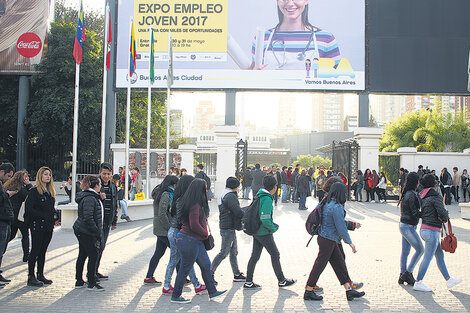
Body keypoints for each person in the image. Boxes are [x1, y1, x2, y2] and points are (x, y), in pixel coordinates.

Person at [304, 182, 365, 301]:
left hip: (325, 238)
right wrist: (350, 243)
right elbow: (341, 226)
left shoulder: (327, 202)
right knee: (319, 265)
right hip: (328, 239)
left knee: (339, 264)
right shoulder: (336, 207)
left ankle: (349, 290)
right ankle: (309, 290)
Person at [171, 179, 227, 303]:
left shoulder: (194, 203)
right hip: (189, 239)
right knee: (185, 268)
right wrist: (205, 233)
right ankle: (176, 295)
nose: (207, 191)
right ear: (200, 190)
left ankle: (212, 292)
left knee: (206, 265)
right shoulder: (194, 205)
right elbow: (194, 224)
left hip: (194, 240)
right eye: (205, 188)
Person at [250, 0, 341, 71]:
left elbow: (338, 82)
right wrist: (253, 76)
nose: (290, 3)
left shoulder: (326, 39)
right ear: (277, 1)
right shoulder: (261, 39)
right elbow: (253, 78)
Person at [244, 175, 296, 289]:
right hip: (264, 232)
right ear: (274, 187)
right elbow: (265, 218)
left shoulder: (259, 196)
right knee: (275, 254)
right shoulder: (267, 198)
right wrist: (273, 228)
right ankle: (281, 280)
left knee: (255, 256)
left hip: (256, 231)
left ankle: (248, 281)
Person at [413, 174, 462, 292]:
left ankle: (448, 279)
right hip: (432, 231)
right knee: (428, 257)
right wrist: (445, 216)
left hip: (424, 229)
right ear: (434, 183)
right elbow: (443, 214)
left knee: (439, 254)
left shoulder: (423, 196)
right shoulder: (436, 196)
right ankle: (418, 282)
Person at [163, 175, 204, 295]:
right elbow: (181, 218)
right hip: (177, 231)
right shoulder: (182, 199)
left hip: (175, 231)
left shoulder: (178, 197)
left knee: (185, 260)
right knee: (175, 260)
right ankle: (166, 285)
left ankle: (196, 284)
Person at [144, 175, 180, 285]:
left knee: (158, 253)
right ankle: (182, 278)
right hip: (163, 229)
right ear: (173, 185)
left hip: (161, 229)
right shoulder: (166, 194)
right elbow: (162, 213)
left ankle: (149, 276)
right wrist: (170, 228)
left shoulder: (163, 192)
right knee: (177, 253)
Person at [24, 166, 56, 287]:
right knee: (35, 250)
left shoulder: (50, 192)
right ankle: (31, 276)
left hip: (48, 226)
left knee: (43, 251)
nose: (48, 176)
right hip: (37, 225)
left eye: (49, 175)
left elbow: (50, 208)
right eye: (45, 174)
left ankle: (40, 274)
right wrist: (42, 216)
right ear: (40, 176)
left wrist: (54, 216)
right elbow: (29, 209)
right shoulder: (34, 191)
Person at [211, 177, 246, 283]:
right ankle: (210, 273)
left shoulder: (223, 194)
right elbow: (237, 212)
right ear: (235, 187)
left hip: (226, 226)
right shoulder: (230, 196)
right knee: (224, 253)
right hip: (228, 227)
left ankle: (236, 273)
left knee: (233, 252)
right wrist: (246, 212)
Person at [73, 175, 104, 291]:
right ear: (95, 185)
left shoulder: (92, 196)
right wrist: (96, 231)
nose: (100, 186)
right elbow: (88, 217)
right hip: (86, 231)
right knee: (93, 255)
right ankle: (91, 282)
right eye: (99, 184)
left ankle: (79, 281)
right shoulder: (90, 198)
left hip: (83, 230)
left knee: (83, 254)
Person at [398, 172, 423, 286]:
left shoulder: (406, 193)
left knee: (405, 252)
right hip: (408, 226)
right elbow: (414, 213)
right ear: (415, 182)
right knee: (420, 249)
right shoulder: (412, 194)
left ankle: (402, 274)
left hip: (404, 225)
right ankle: (408, 272)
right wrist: (425, 214)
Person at [96, 162, 118, 281]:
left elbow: (115, 203)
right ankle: (92, 273)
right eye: (104, 174)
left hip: (107, 221)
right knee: (96, 247)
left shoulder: (112, 186)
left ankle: (95, 270)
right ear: (100, 173)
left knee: (102, 246)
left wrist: (114, 221)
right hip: (97, 222)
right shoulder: (95, 184)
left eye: (108, 174)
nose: (106, 176)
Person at [5, 170, 32, 262]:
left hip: (13, 216)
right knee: (25, 235)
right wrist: (29, 184)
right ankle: (26, 256)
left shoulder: (12, 186)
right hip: (20, 216)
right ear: (21, 178)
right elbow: (30, 196)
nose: (26, 178)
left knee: (11, 235)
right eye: (25, 177)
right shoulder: (21, 189)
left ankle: (2, 249)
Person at [0, 162, 15, 287]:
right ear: (2, 172)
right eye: (9, 176)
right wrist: (6, 195)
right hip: (2, 219)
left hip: (5, 219)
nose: (9, 179)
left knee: (2, 249)